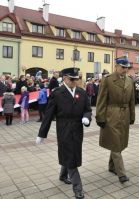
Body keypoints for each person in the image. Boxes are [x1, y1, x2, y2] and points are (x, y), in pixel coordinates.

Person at [36, 67, 92, 199]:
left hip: (78, 129)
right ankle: (77, 188)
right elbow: (48, 115)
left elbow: (88, 109)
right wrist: (41, 134)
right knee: (71, 157)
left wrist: (86, 117)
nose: (75, 81)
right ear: (65, 79)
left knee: (72, 153)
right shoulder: (57, 93)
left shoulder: (81, 93)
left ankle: (62, 175)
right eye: (72, 79)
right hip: (64, 129)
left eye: (76, 79)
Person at [95, 56, 135, 183]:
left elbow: (132, 101)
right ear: (116, 66)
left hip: (125, 114)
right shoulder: (108, 80)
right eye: (122, 67)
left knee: (120, 142)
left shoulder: (130, 80)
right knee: (116, 143)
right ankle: (121, 173)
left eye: (126, 68)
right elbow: (101, 100)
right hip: (111, 114)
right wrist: (100, 117)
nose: (125, 70)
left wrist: (132, 116)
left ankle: (112, 166)